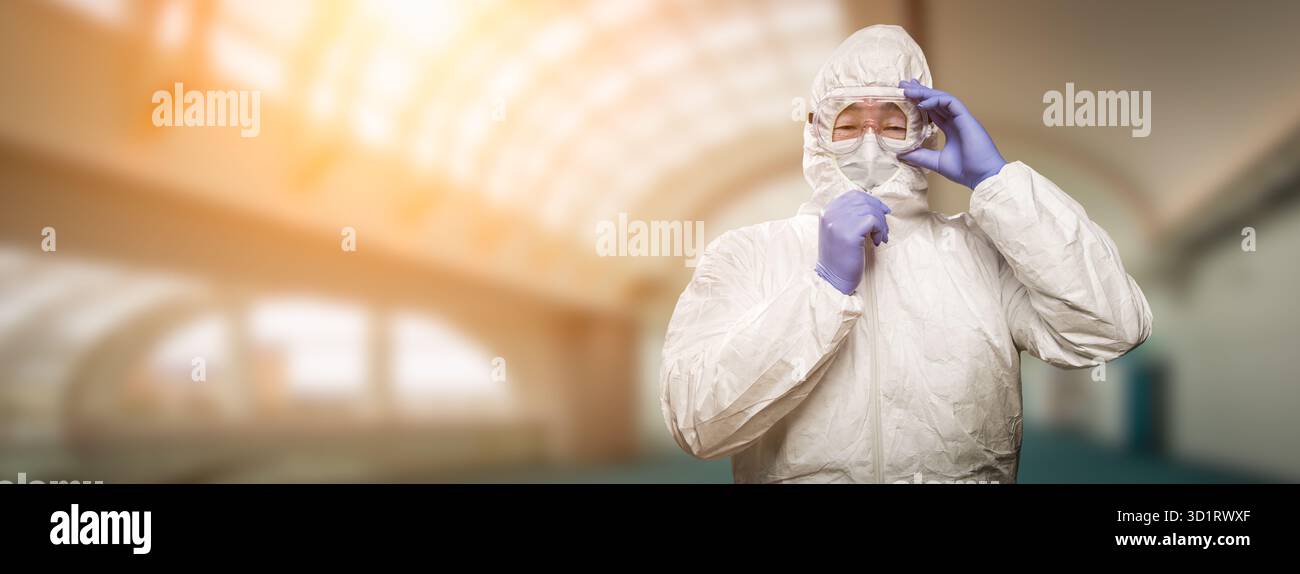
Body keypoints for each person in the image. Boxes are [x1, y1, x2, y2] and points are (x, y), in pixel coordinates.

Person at [658, 25, 1152, 483]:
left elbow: (1109, 328)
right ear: (815, 131)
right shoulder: (747, 255)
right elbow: (697, 423)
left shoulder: (980, 251)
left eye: (894, 124)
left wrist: (999, 185)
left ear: (925, 132)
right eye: (848, 124)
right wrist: (823, 291)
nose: (870, 143)